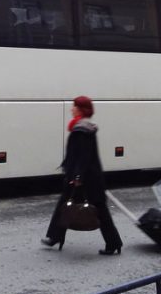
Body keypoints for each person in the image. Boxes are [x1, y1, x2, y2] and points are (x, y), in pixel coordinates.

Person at [41, 96, 123, 254]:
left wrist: (77, 177)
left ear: (80, 109)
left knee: (93, 208)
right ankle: (55, 236)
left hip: (85, 179)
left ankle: (113, 243)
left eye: (74, 106)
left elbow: (83, 156)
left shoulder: (81, 129)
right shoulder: (85, 127)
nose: (71, 109)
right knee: (71, 205)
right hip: (89, 177)